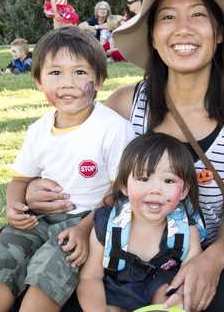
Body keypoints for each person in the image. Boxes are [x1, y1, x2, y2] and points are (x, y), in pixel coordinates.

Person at [23, 0, 224, 312]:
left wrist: (212, 261)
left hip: (197, 253)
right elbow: (86, 178)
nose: (183, 29)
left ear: (218, 33)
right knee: (52, 289)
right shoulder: (124, 106)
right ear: (153, 35)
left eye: (198, 15)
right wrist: (34, 189)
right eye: (168, 17)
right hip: (116, 256)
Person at [0, 27, 135, 312]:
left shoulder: (113, 129)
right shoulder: (39, 129)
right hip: (41, 217)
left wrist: (86, 230)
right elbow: (20, 179)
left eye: (79, 72)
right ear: (38, 81)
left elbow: (121, 192)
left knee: (50, 269)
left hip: (89, 219)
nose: (67, 83)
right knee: (3, 254)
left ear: (98, 80)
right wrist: (15, 206)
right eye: (55, 73)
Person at [78, 133, 205, 311]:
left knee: (167, 293)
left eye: (169, 180)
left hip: (160, 288)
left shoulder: (186, 232)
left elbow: (192, 275)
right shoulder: (108, 225)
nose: (155, 189)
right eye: (144, 179)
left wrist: (181, 294)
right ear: (124, 186)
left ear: (184, 191)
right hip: (115, 292)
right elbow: (90, 278)